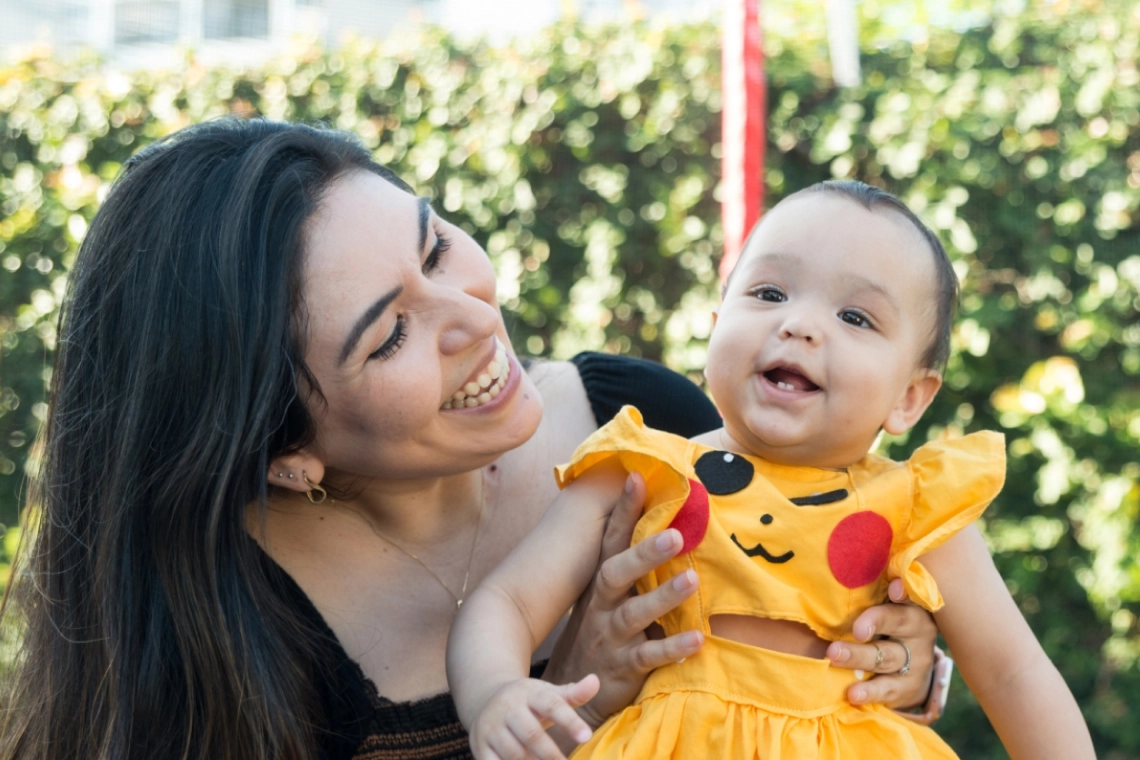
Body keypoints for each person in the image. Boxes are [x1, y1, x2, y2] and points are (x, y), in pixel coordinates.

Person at [0, 121, 943, 760]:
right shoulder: (233, 640)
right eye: (391, 333)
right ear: (287, 454)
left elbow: (817, 579)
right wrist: (587, 693)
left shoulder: (647, 422)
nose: (471, 317)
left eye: (435, 245)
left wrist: (895, 655)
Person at [447, 180, 1096, 760]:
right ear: (716, 326)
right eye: (769, 292)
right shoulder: (644, 469)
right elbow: (505, 603)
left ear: (909, 398)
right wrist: (496, 694)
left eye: (855, 317)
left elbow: (1012, 673)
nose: (799, 324)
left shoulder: (918, 510)